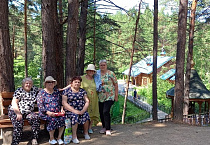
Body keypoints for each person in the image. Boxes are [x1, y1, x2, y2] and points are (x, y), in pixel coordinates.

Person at [8, 77, 40, 145]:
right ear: (23, 84)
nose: (28, 85)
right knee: (18, 122)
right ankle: (15, 142)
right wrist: (18, 113)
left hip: (28, 112)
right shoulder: (19, 90)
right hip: (16, 110)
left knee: (35, 118)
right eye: (26, 83)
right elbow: (14, 102)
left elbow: (44, 90)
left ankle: (34, 138)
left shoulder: (34, 89)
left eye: (30, 83)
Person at [37, 76, 65, 145]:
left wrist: (62, 109)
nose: (50, 83)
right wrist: (48, 112)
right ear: (45, 84)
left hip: (57, 112)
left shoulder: (56, 92)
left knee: (63, 118)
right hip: (45, 113)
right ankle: (51, 138)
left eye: (52, 82)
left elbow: (61, 102)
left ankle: (59, 138)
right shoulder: (41, 93)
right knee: (52, 119)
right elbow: (40, 105)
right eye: (48, 82)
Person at [62, 76, 90, 144]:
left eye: (78, 82)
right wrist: (74, 111)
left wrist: (83, 110)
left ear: (80, 83)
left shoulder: (82, 91)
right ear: (71, 83)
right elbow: (64, 103)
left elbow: (87, 101)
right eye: (75, 82)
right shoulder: (66, 91)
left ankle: (85, 133)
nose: (77, 83)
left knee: (86, 114)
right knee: (75, 115)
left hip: (81, 110)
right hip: (70, 111)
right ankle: (74, 136)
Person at [97, 59, 118, 136]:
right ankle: (104, 126)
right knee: (101, 112)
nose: (102, 66)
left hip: (110, 95)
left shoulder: (111, 73)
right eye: (101, 65)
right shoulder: (97, 73)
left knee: (106, 111)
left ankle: (108, 128)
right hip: (100, 95)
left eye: (104, 65)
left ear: (106, 65)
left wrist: (116, 95)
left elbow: (116, 84)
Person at [81, 64, 100, 134]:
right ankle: (84, 128)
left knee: (93, 113)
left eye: (92, 71)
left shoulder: (96, 79)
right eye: (90, 71)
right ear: (87, 71)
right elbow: (72, 84)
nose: (91, 72)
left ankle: (90, 128)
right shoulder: (82, 78)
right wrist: (63, 89)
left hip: (94, 98)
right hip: (84, 99)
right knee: (86, 113)